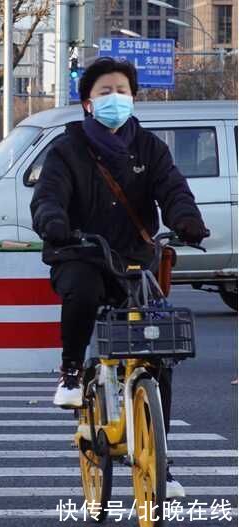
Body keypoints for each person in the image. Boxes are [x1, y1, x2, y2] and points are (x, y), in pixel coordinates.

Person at [30, 57, 208, 498]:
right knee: (83, 294)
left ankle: (161, 461)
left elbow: (173, 188)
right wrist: (53, 221)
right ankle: (71, 373)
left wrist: (186, 220)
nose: (116, 98)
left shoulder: (149, 147)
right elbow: (48, 196)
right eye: (106, 92)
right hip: (82, 252)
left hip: (135, 258)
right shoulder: (66, 149)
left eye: (123, 90)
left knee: (157, 352)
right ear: (88, 103)